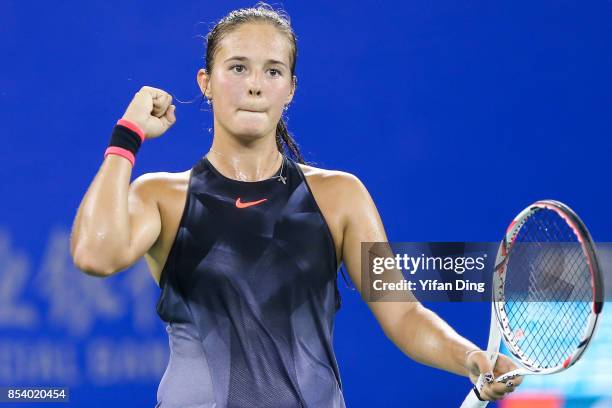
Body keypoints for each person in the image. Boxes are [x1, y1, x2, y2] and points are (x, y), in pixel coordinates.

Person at [70, 3, 522, 407]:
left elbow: (403, 312)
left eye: (272, 71)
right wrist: (126, 137)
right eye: (238, 68)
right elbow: (95, 254)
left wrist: (468, 357)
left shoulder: (340, 196)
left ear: (290, 89)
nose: (254, 86)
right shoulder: (162, 197)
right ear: (205, 82)